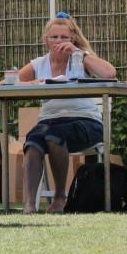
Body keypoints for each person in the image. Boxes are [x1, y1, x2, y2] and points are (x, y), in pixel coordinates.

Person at [16, 12, 116, 213]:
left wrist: (79, 52)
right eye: (54, 37)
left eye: (64, 37)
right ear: (46, 40)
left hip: (85, 121)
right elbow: (8, 82)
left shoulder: (81, 58)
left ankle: (60, 197)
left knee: (55, 136)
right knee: (33, 141)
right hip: (49, 120)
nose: (59, 41)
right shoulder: (39, 64)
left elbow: (109, 74)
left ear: (73, 39)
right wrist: (33, 82)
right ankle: (29, 205)